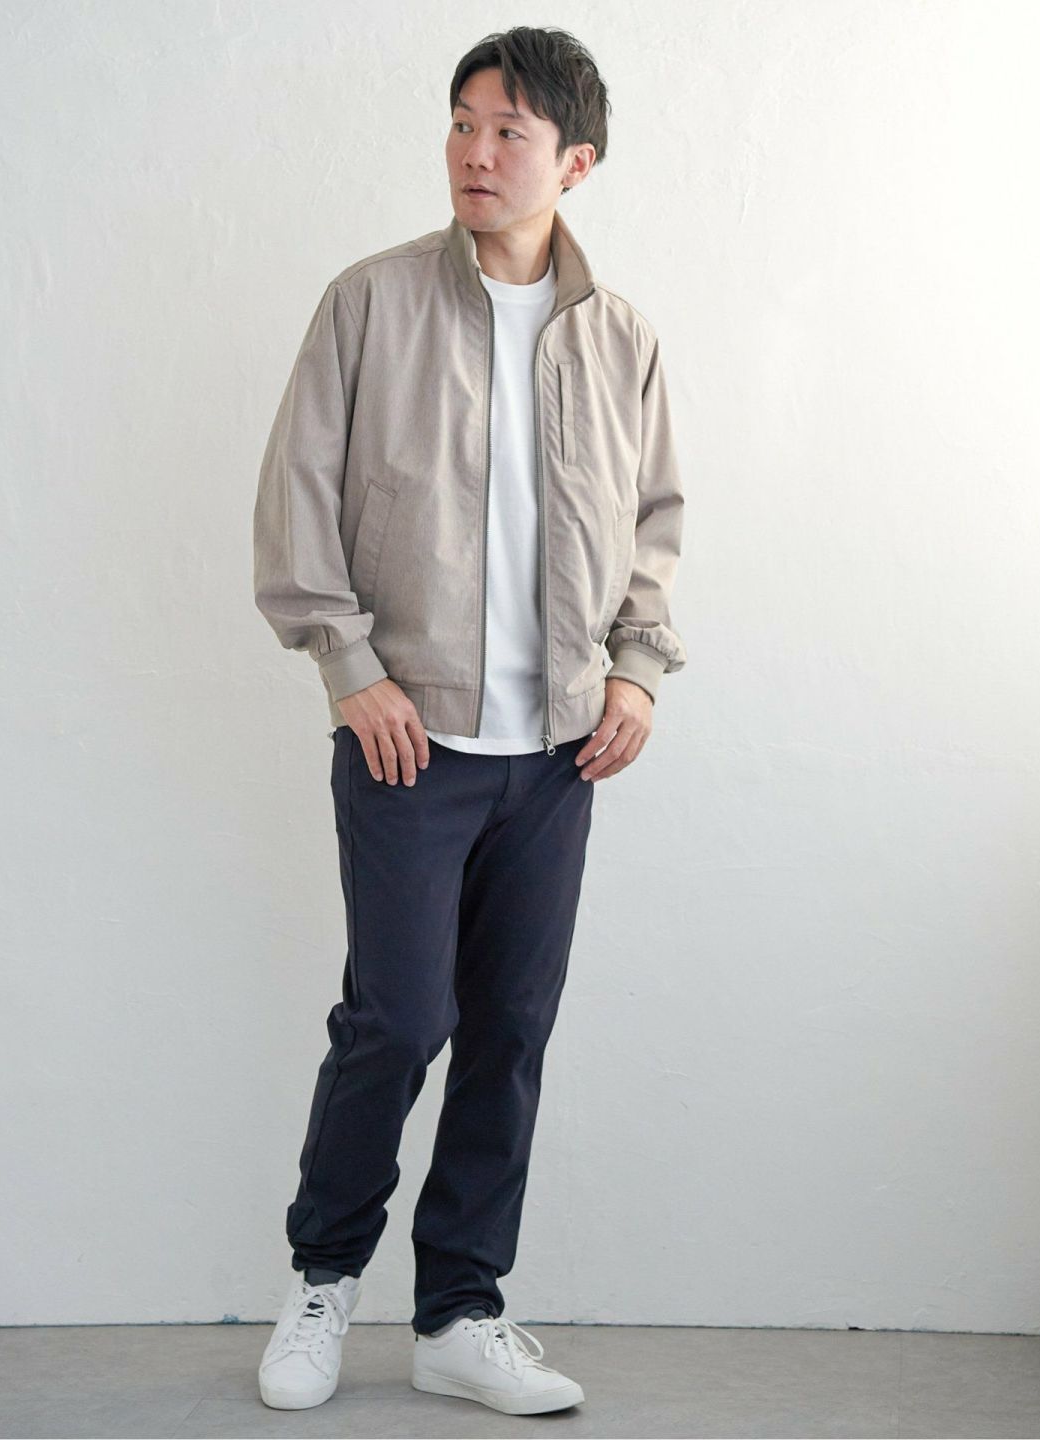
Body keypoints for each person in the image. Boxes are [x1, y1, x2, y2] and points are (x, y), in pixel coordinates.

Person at [251, 24, 686, 1417]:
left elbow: (654, 522)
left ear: (577, 161)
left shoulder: (620, 337)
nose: (474, 153)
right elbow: (297, 495)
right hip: (409, 743)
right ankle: (324, 1279)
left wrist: (636, 670)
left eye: (507, 131)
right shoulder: (369, 303)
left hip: (558, 756)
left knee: (509, 1028)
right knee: (397, 1018)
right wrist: (350, 668)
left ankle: (459, 1312)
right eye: (461, 123)